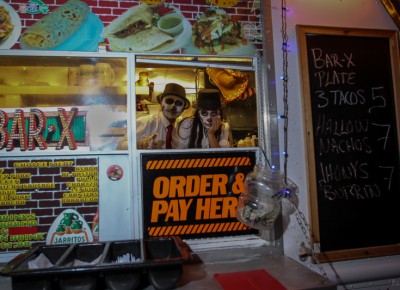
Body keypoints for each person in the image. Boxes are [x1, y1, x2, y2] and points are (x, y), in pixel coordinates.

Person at [117, 83, 189, 149]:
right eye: (169, 101)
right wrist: (138, 145)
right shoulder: (145, 122)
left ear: (183, 108)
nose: (173, 107)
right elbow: (120, 146)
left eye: (179, 103)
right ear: (161, 102)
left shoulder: (183, 126)